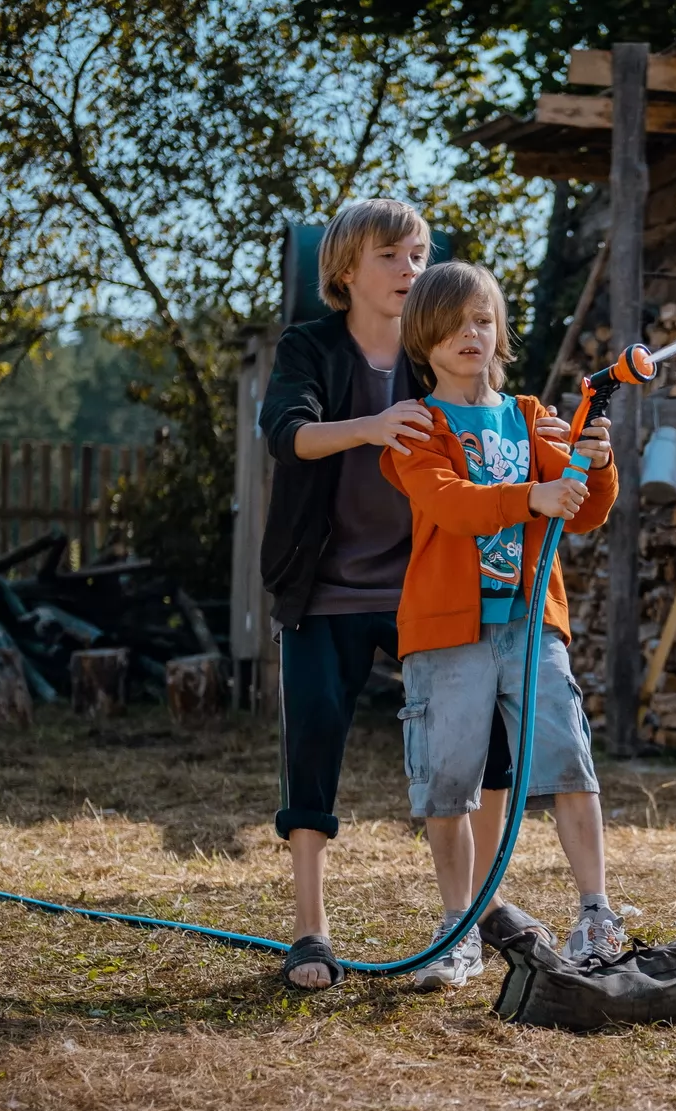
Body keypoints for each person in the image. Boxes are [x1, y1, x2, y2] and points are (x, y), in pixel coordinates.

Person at [256, 199, 516, 991]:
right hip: (325, 587)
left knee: (487, 747)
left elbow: (496, 423)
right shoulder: (309, 347)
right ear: (345, 272)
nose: (412, 269)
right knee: (313, 749)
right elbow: (287, 436)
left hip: (427, 588)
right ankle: (310, 932)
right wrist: (371, 425)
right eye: (393, 257)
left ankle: (473, 915)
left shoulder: (432, 350)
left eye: (421, 254)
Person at [387, 260, 627, 990]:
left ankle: (597, 914)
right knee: (450, 782)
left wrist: (598, 461)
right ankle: (460, 929)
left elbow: (585, 509)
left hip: (531, 627)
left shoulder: (529, 416)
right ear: (425, 338)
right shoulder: (416, 428)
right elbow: (453, 505)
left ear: (500, 336)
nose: (472, 333)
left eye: (484, 321)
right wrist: (536, 493)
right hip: (447, 632)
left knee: (568, 763)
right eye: (456, 323)